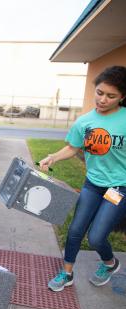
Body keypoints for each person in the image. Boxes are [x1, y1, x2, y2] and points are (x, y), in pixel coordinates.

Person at [39, 65, 126, 292]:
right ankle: (67, 273)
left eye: (111, 96)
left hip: (119, 188)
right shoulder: (84, 121)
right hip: (93, 185)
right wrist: (53, 157)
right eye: (100, 93)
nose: (103, 99)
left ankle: (109, 263)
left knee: (96, 237)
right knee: (76, 229)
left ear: (122, 97)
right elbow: (72, 147)